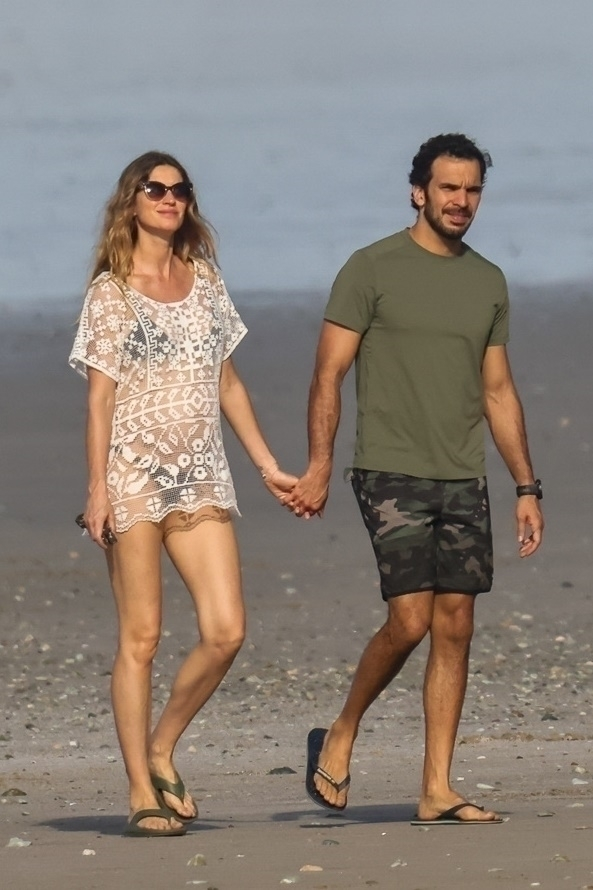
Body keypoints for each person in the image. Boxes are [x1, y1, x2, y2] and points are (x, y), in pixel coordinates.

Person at [289, 133, 544, 825]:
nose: (460, 201)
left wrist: (525, 485)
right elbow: (327, 374)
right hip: (389, 467)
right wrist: (318, 465)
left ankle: (435, 787)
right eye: (448, 188)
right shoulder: (370, 268)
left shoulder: (486, 280)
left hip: (461, 472)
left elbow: (496, 390)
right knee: (409, 620)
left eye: (471, 190)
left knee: (454, 623)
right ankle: (342, 730)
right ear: (418, 191)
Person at [69, 151, 296, 837]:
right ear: (131, 201)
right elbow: (100, 400)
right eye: (155, 188)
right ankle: (140, 788)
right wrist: (98, 490)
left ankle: (162, 745)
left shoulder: (203, 281)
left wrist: (264, 464)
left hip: (200, 475)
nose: (169, 198)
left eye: (179, 190)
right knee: (140, 637)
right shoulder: (111, 291)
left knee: (226, 630)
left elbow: (227, 382)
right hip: (133, 479)